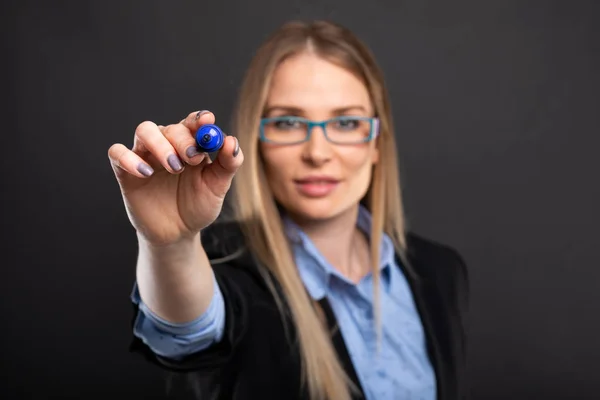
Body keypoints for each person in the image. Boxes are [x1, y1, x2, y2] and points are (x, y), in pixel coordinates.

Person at [108, 20, 469, 400]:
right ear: (256, 138)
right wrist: (172, 245)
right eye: (287, 122)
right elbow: (185, 336)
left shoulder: (440, 271)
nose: (317, 153)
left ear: (377, 140)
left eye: (346, 122)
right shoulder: (217, 263)